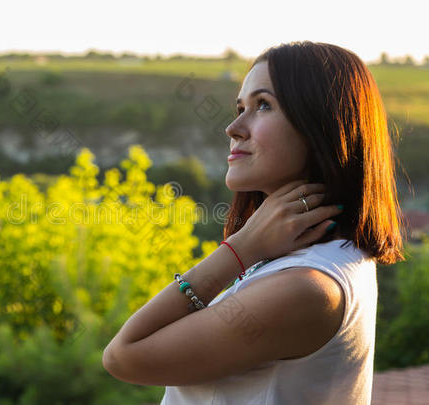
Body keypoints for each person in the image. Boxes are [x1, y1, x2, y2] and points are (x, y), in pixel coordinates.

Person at [102, 41, 406, 405]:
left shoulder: (307, 288)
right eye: (240, 107)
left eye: (263, 105)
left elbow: (124, 356)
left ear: (321, 126)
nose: (233, 127)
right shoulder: (319, 257)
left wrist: (239, 249)